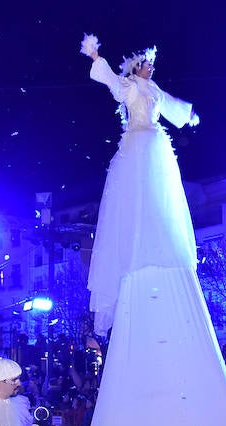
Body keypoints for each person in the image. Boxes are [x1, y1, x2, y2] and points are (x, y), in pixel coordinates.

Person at [80, 34, 201, 335]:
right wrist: (97, 59)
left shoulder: (154, 89)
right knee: (136, 191)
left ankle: (157, 233)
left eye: (152, 64)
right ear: (136, 68)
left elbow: (171, 105)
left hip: (156, 144)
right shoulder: (131, 85)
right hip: (137, 143)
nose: (151, 68)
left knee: (161, 192)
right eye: (146, 64)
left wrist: (189, 115)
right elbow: (112, 82)